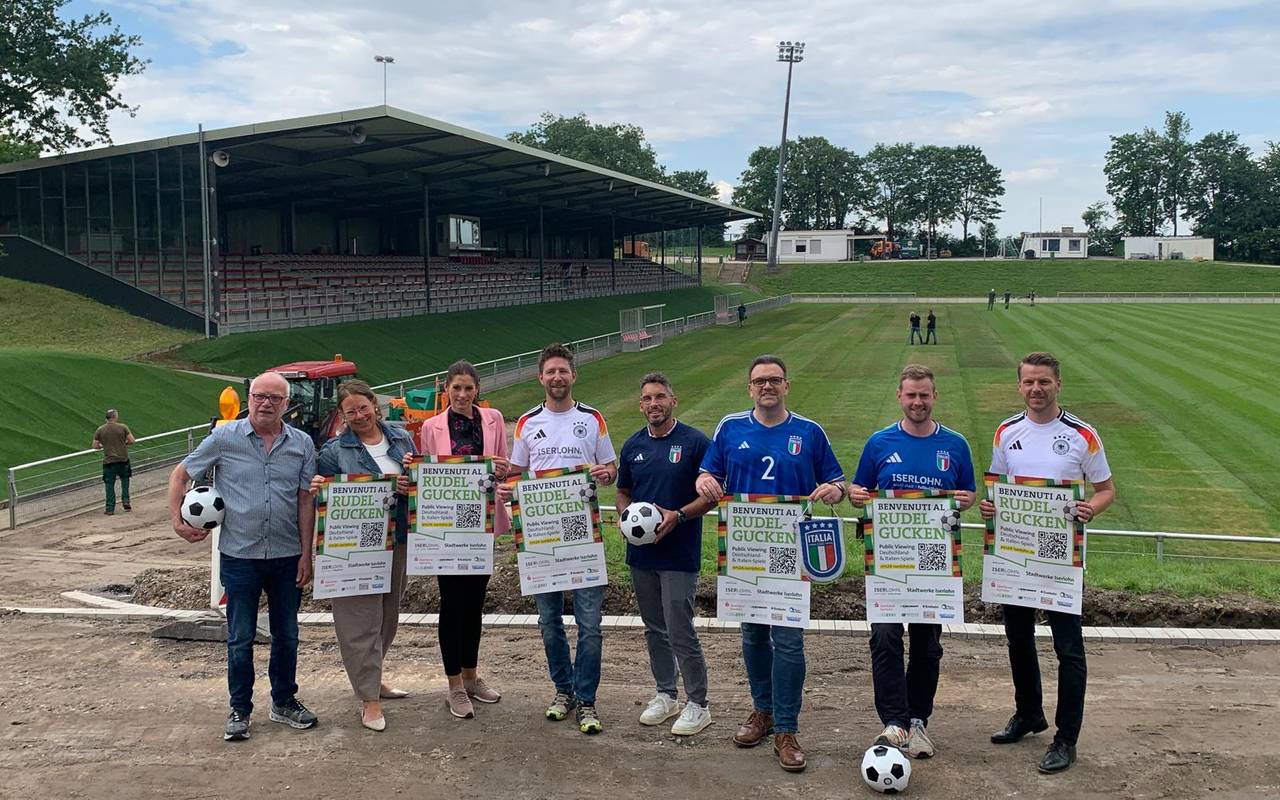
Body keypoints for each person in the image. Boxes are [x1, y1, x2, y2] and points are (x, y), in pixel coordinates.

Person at [695, 355, 845, 773]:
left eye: (774, 380)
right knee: (753, 638)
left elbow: (837, 480)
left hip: (791, 554)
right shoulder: (730, 427)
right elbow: (709, 475)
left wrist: (834, 490)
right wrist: (703, 481)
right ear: (749, 388)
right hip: (745, 552)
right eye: (760, 381)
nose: (767, 387)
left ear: (786, 386)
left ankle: (787, 729)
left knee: (790, 643)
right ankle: (762, 711)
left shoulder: (809, 432)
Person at [980, 352, 1116, 774]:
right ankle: (1028, 714)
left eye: (1044, 382)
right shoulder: (1006, 431)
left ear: (1058, 384)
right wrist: (989, 508)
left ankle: (1066, 738)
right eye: (1029, 383)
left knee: (1068, 648)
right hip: (1016, 557)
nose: (1036, 389)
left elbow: (1106, 489)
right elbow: (997, 487)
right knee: (1018, 639)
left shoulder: (1082, 435)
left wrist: (1090, 508)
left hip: (1060, 562)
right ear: (1019, 386)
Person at [168, 371, 318, 742]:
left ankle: (284, 701)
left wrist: (306, 554)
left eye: (275, 398)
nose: (266, 403)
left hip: (286, 555)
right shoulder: (223, 437)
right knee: (240, 637)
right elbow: (180, 475)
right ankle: (240, 708)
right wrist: (177, 520)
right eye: (259, 396)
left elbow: (304, 500)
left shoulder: (302, 444)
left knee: (287, 634)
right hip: (239, 557)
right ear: (248, 398)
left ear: (286, 404)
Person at [847, 365, 976, 760]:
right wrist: (855, 494)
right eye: (910, 395)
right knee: (885, 637)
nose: (917, 402)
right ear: (899, 397)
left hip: (933, 564)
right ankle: (894, 721)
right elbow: (861, 487)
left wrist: (966, 500)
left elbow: (967, 492)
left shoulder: (955, 444)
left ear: (934, 396)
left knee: (926, 644)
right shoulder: (879, 442)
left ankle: (918, 719)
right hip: (889, 562)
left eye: (924, 395)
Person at [499, 343, 617, 734]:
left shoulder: (593, 418)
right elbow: (516, 473)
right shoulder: (527, 423)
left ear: (573, 376)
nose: (557, 377)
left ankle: (587, 699)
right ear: (541, 377)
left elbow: (611, 468)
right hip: (540, 537)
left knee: (590, 624)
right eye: (550, 371)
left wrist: (605, 474)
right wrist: (507, 488)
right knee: (549, 621)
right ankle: (562, 690)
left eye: (563, 371)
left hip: (583, 535)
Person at [311, 380, 417, 732]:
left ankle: (372, 678)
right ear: (342, 415)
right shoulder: (332, 451)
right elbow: (322, 498)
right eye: (349, 411)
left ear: (374, 403)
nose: (358, 415)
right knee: (359, 621)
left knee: (388, 615)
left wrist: (408, 482)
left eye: (362, 407)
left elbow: (419, 482)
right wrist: (319, 490)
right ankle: (369, 699)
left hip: (397, 538)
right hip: (353, 547)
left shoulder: (401, 438)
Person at [615, 372, 715, 736]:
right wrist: (625, 515)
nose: (653, 404)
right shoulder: (632, 446)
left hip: (679, 553)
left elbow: (711, 494)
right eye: (647, 399)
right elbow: (623, 490)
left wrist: (680, 515)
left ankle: (698, 703)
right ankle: (665, 693)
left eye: (660, 397)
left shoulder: (695, 443)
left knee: (679, 628)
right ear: (640, 405)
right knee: (654, 628)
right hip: (641, 555)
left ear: (674, 400)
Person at [417, 360, 510, 720]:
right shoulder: (431, 426)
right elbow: (427, 472)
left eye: (468, 388)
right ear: (447, 390)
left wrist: (499, 469)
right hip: (446, 527)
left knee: (474, 602)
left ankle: (471, 676)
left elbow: (502, 464)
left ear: (477, 390)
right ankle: (454, 684)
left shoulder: (494, 419)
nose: (462, 394)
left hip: (481, 524)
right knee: (451, 603)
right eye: (456, 388)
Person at [93, 409, 135, 515]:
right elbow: (132, 440)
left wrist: (104, 445)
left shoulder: (100, 430)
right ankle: (126, 501)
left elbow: (95, 446)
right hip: (123, 459)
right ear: (115, 417)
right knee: (125, 481)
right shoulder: (123, 427)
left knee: (109, 485)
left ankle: (110, 508)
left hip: (109, 462)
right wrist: (123, 443)